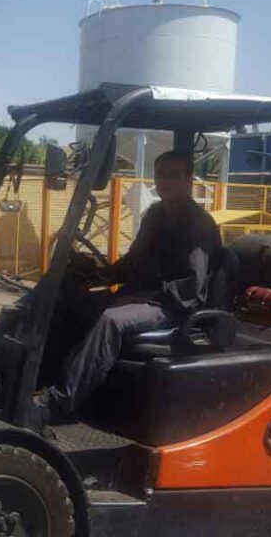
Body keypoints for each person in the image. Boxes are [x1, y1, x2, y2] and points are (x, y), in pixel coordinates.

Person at [38, 150, 222, 418]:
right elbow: (135, 259)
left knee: (111, 320)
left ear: (187, 181)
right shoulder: (155, 216)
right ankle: (42, 379)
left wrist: (141, 297)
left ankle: (59, 402)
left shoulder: (198, 224)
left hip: (174, 307)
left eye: (174, 175)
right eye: (161, 174)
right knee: (75, 303)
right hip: (142, 297)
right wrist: (102, 275)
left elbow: (191, 286)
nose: (166, 181)